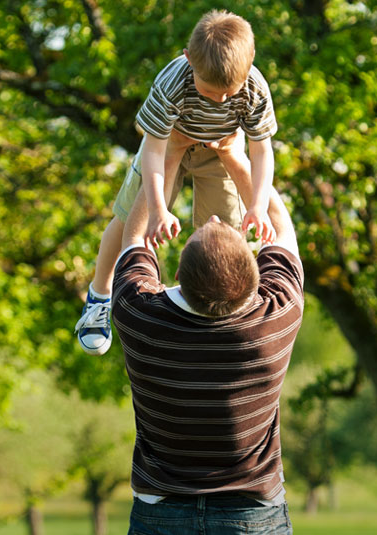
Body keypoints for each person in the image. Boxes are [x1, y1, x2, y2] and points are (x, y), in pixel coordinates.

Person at [110, 171, 303, 535]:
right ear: (256, 277)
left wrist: (161, 165)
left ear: (175, 273)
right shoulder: (276, 320)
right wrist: (245, 165)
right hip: (254, 522)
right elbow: (283, 232)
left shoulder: (140, 317)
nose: (214, 215)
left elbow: (134, 240)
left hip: (160, 521)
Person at [75, 8, 279, 356]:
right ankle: (99, 296)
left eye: (230, 92)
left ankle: (217, 316)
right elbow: (153, 152)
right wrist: (157, 208)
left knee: (226, 235)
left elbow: (262, 152)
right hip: (170, 147)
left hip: (221, 153)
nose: (222, 100)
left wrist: (257, 206)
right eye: (211, 91)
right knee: (128, 220)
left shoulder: (255, 87)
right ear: (188, 60)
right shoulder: (172, 81)